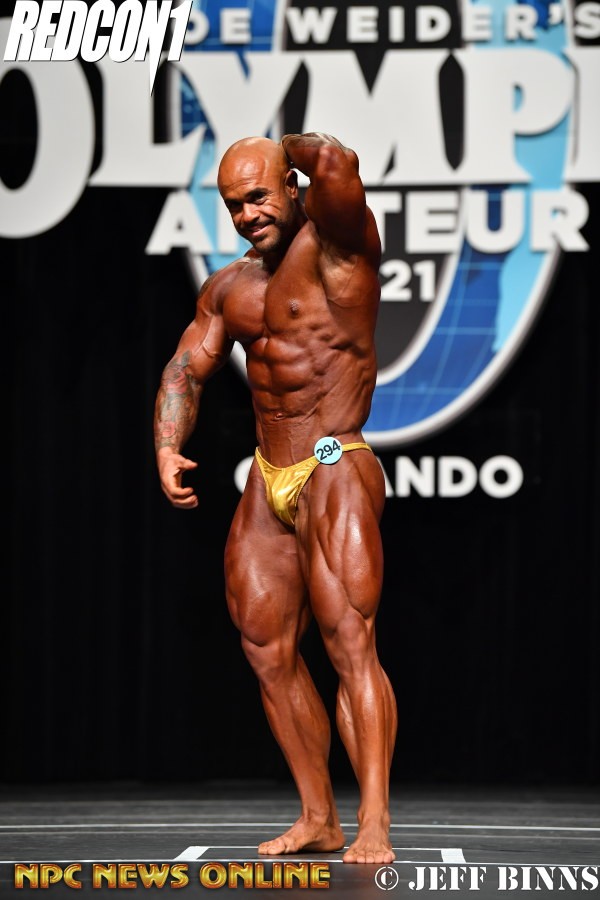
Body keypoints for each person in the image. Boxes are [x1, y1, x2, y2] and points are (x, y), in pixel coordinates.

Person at [154, 132, 398, 864]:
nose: (247, 214)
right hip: (269, 470)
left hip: (332, 455)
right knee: (265, 648)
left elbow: (337, 165)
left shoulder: (341, 248)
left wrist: (287, 144)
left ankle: (374, 822)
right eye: (234, 204)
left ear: (292, 186)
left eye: (259, 195)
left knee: (349, 642)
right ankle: (319, 816)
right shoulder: (229, 288)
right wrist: (167, 443)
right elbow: (185, 369)